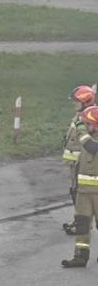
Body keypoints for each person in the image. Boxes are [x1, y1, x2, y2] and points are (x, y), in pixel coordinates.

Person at [62, 105, 98, 268]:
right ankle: (80, 257)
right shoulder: (88, 138)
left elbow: (91, 146)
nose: (85, 126)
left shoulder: (90, 140)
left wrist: (81, 129)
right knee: (82, 225)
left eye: (87, 123)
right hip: (83, 192)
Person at [61, 85, 96, 235]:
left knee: (79, 194)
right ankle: (79, 221)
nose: (73, 104)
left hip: (83, 165)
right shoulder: (79, 115)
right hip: (75, 164)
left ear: (85, 102)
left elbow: (88, 143)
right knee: (74, 192)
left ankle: (83, 224)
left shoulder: (90, 118)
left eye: (76, 101)